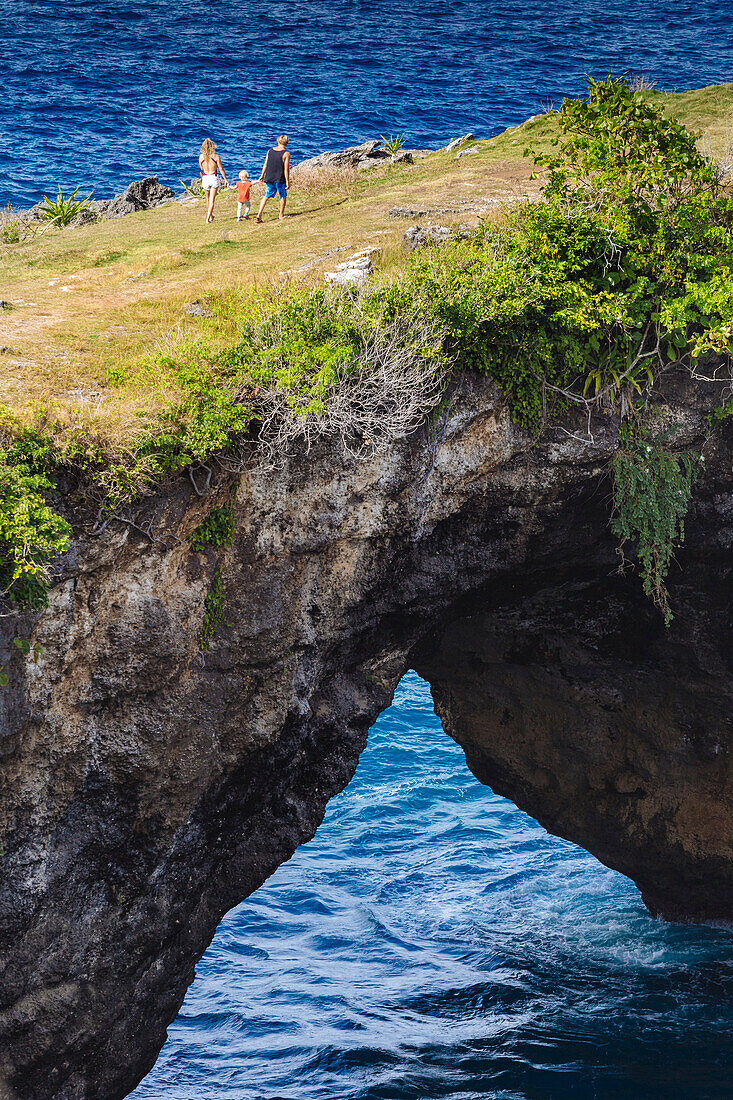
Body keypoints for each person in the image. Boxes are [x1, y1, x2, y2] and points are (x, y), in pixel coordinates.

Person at [256, 135, 290, 222]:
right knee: (283, 196)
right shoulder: (286, 154)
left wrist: (262, 175)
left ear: (278, 142)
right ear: (287, 143)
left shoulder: (270, 151)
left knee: (265, 196)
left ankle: (259, 214)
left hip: (269, 177)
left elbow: (265, 164)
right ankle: (281, 215)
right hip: (279, 178)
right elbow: (286, 169)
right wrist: (287, 182)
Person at [198, 138, 228, 224]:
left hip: (205, 178)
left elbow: (201, 168)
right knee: (212, 201)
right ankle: (208, 218)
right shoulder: (216, 157)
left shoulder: (201, 157)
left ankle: (211, 215)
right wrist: (226, 179)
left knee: (207, 200)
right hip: (213, 177)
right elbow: (221, 169)